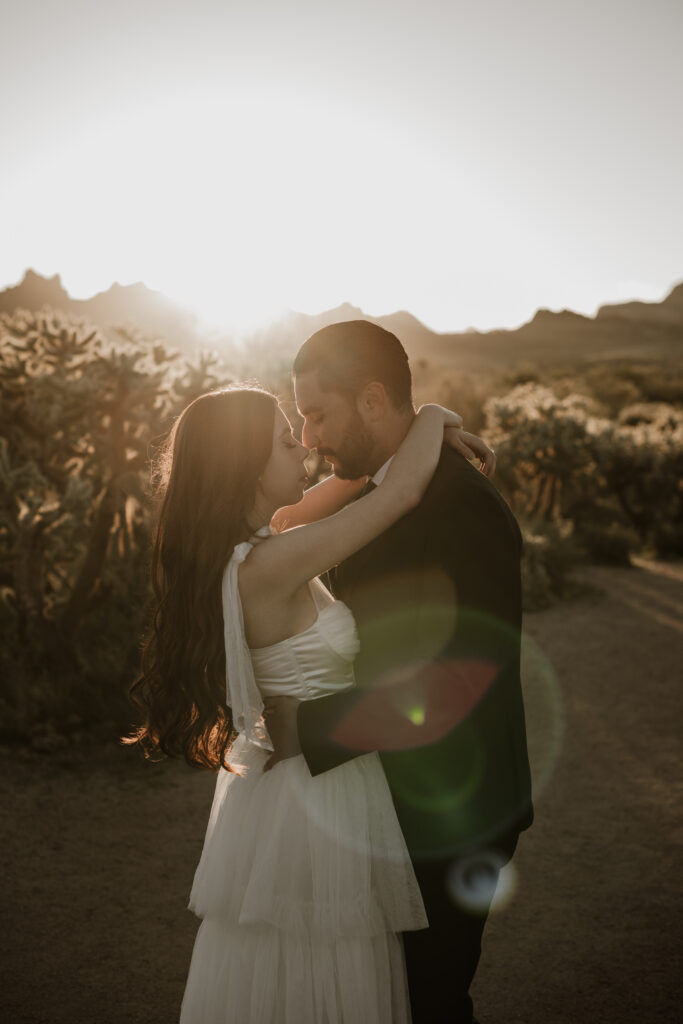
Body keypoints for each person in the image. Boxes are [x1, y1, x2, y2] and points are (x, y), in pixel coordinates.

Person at [123, 382, 496, 1023]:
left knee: (295, 971)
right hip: (319, 790)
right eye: (284, 440)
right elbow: (398, 495)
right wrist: (431, 415)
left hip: (298, 780)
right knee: (325, 969)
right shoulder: (273, 562)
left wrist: (417, 438)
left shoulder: (257, 547)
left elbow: (359, 485)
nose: (303, 447)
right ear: (244, 467)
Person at [265, 320, 534, 1024]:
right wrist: (438, 420)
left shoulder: (462, 507)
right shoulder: (376, 492)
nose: (310, 436)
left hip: (449, 816)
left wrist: (309, 728)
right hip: (384, 803)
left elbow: (458, 679)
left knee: (429, 1004)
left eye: (317, 414)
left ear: (374, 401)